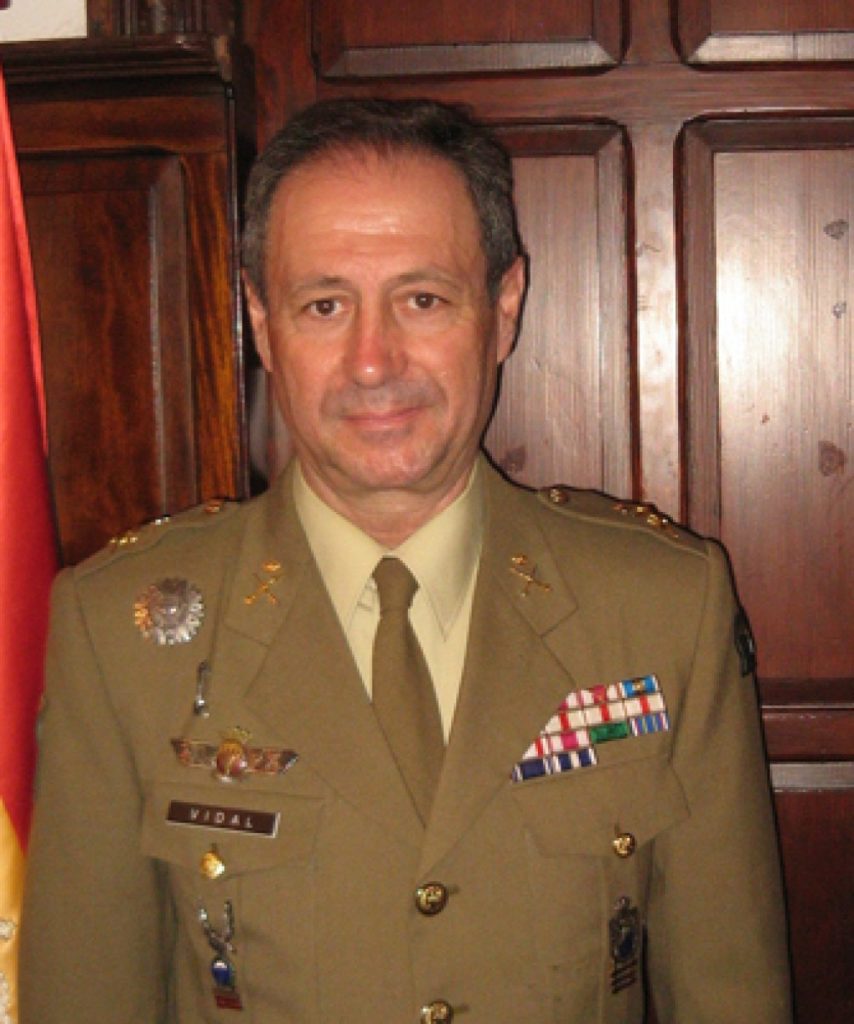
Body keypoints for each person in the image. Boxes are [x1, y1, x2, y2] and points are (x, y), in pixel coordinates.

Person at [20, 98, 791, 1023]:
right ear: (262, 323)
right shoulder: (120, 634)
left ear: (504, 308)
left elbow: (732, 994)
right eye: (324, 305)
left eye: (422, 299)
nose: (372, 362)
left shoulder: (662, 607)